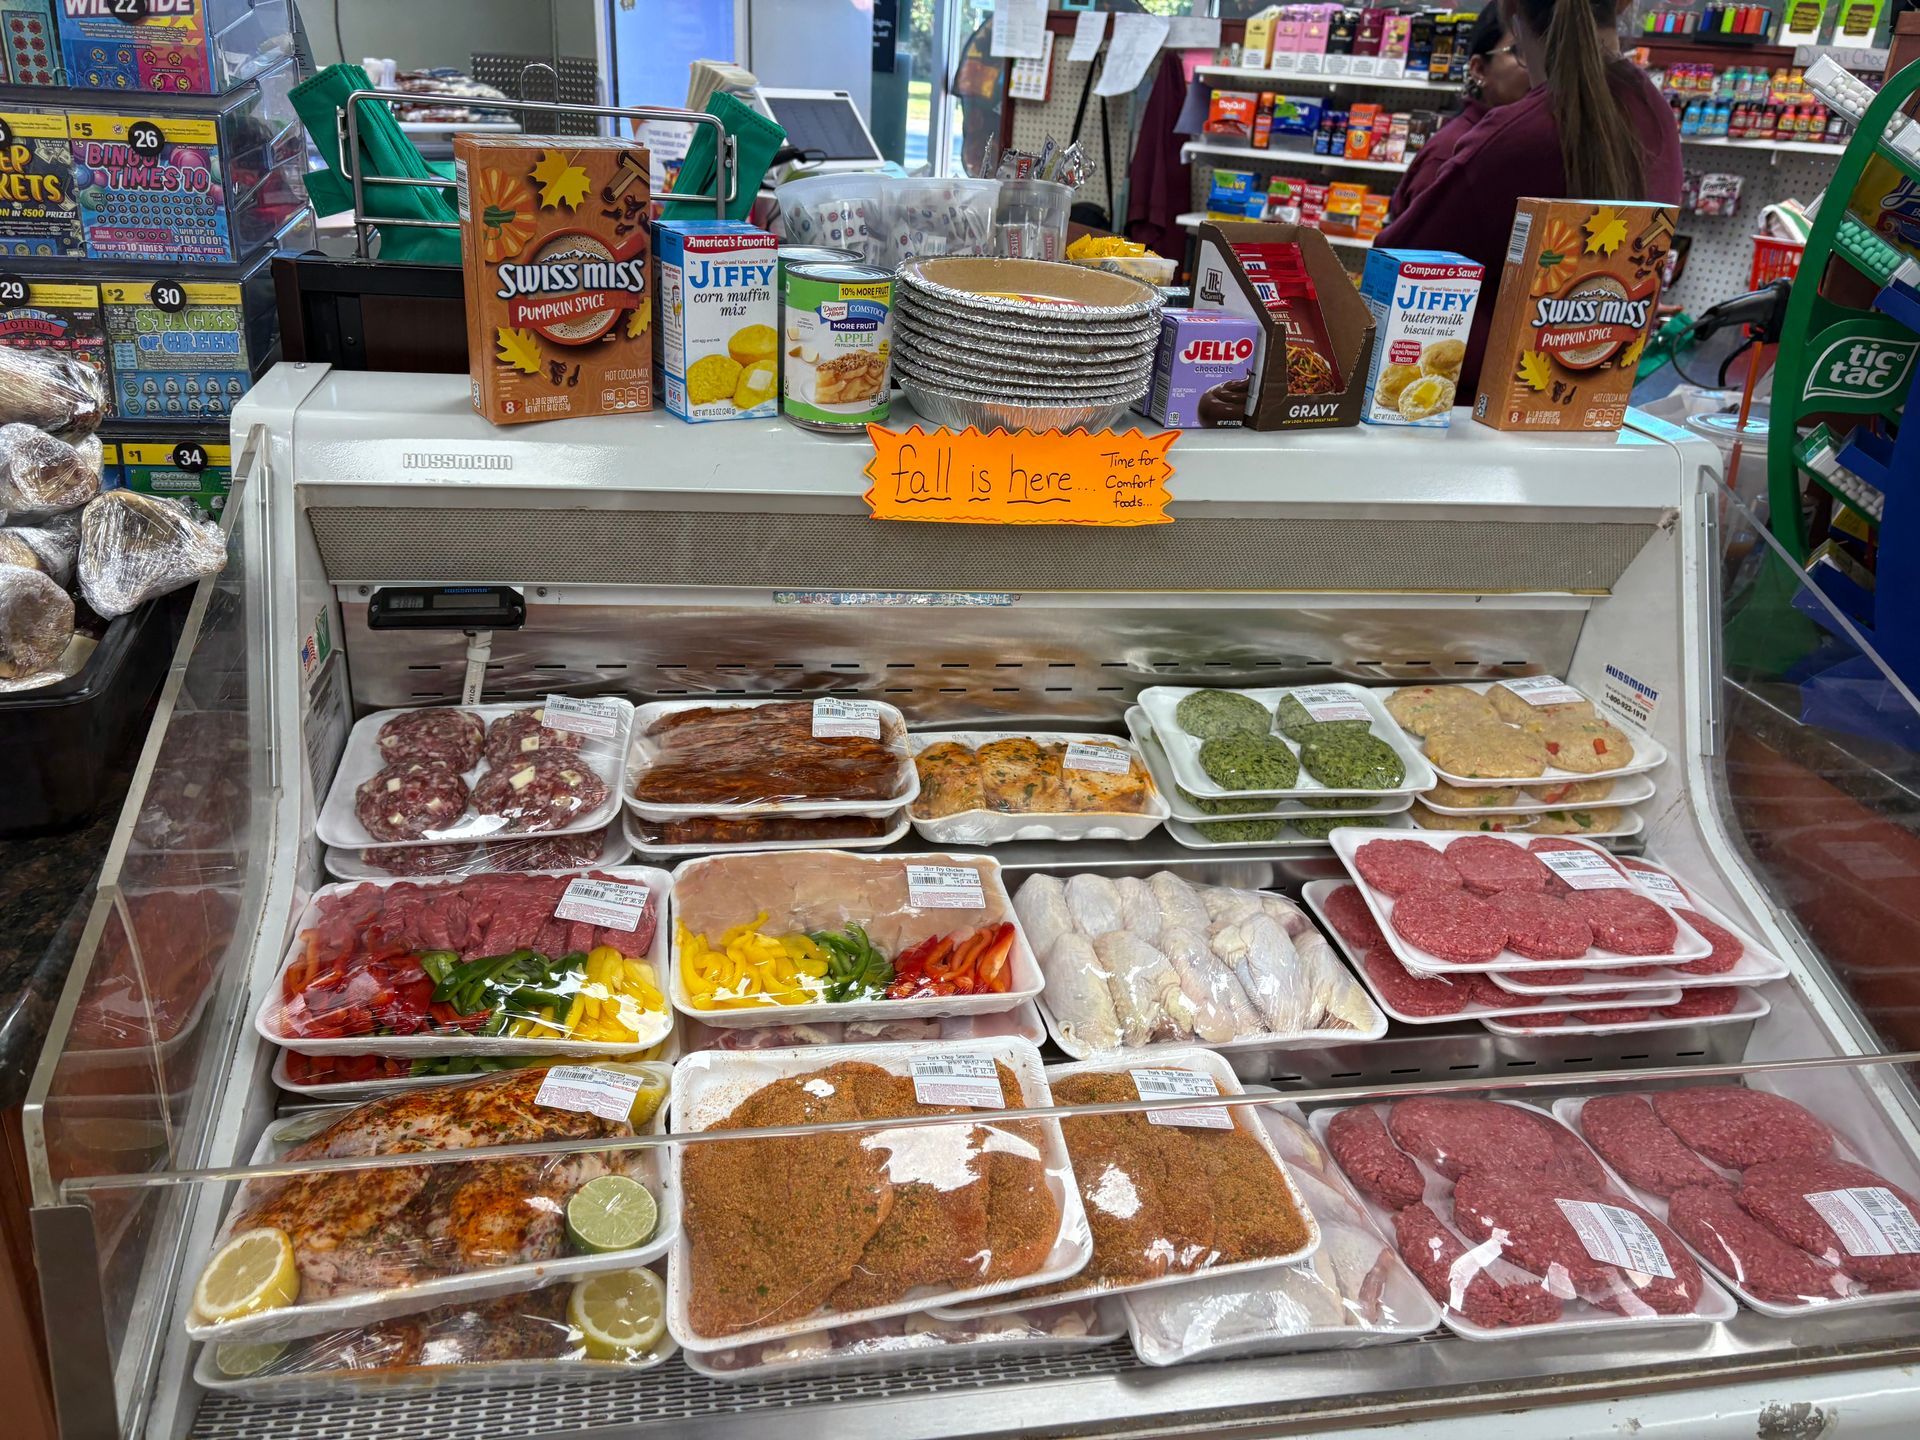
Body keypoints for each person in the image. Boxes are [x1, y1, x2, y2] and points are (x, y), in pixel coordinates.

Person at [1372, 0, 1683, 395]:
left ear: (1512, 9)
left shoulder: (1515, 137)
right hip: (1588, 408)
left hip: (1474, 419)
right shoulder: (1654, 112)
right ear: (1623, 4)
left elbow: (1394, 269)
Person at [1390, 4, 1531, 218]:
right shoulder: (1449, 153)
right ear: (1479, 69)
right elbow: (1416, 248)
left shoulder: (1515, 137)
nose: (1539, 65)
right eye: (1519, 51)